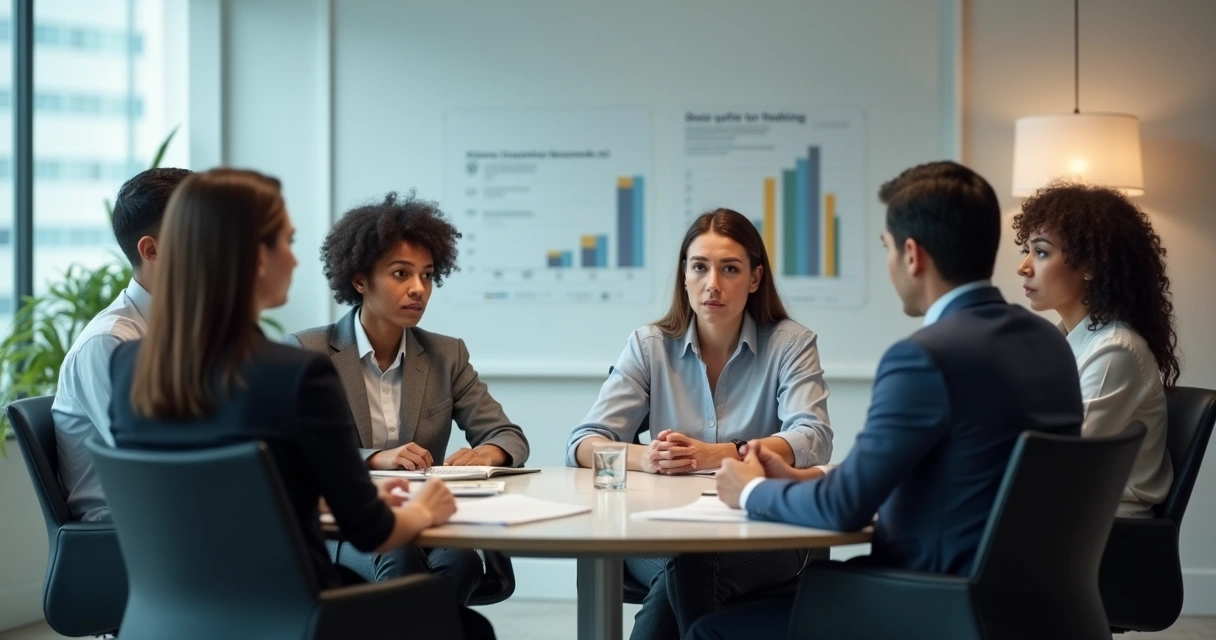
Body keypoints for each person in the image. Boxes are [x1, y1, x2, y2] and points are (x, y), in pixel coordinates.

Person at [691, 161, 1084, 639]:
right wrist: (804, 477)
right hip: (1031, 606)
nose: (890, 262)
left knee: (710, 630)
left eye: (887, 248)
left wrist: (747, 492)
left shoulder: (924, 358)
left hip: (929, 605)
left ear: (912, 255)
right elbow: (965, 476)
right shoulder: (1049, 343)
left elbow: (845, 509)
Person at [107, 169, 493, 639]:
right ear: (251, 258)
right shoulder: (296, 373)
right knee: (464, 628)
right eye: (285, 242)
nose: (294, 259)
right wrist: (424, 509)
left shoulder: (128, 365)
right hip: (296, 620)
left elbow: (223, 495)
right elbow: (372, 532)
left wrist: (336, 490)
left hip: (165, 618)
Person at [566, 208, 833, 640]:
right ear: (684, 276)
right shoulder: (649, 345)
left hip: (763, 533)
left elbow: (813, 436)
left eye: (730, 269)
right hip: (659, 531)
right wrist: (647, 457)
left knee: (685, 565)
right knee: (683, 561)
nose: (713, 284)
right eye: (700, 267)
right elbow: (582, 443)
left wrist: (725, 453)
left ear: (754, 278)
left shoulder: (790, 343)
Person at [286, 191, 528, 601]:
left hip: (426, 523)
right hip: (344, 526)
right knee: (398, 556)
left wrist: (487, 454)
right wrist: (375, 458)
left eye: (428, 275)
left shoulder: (445, 354)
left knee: (462, 561)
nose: (418, 289)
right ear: (360, 279)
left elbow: (508, 435)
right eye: (401, 274)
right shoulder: (308, 352)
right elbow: (292, 458)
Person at [1014, 182, 1177, 517]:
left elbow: (1058, 461)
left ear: (1090, 265)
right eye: (1027, 251)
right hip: (1060, 516)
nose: (1024, 267)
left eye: (1041, 252)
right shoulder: (1062, 344)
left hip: (1103, 533)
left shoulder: (1115, 351)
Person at [53, 167, 192, 522]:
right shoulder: (110, 342)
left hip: (181, 516)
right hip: (126, 533)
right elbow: (159, 464)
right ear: (152, 250)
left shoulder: (187, 330)